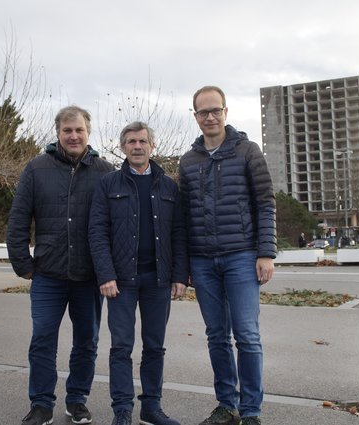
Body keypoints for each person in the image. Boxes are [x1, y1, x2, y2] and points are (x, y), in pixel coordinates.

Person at [7, 106, 114, 425]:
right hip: (48, 275)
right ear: (58, 133)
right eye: (67, 130)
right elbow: (18, 219)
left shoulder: (105, 171)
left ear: (88, 133)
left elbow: (116, 223)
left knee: (87, 341)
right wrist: (23, 264)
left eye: (79, 130)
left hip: (88, 276)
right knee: (42, 338)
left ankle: (77, 400)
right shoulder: (36, 168)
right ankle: (41, 403)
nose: (73, 135)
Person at [178, 86, 277, 425]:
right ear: (195, 116)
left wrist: (266, 253)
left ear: (225, 112)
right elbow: (184, 217)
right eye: (203, 112)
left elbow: (265, 202)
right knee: (216, 335)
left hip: (241, 257)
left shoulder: (248, 151)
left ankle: (251, 411)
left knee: (247, 335)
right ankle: (227, 406)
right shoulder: (188, 161)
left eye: (215, 110)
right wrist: (185, 264)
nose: (209, 117)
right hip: (203, 262)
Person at [89, 121, 188, 425]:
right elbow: (97, 231)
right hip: (121, 281)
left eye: (142, 141)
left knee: (155, 346)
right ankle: (122, 410)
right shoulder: (108, 184)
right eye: (131, 141)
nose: (137, 146)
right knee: (121, 347)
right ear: (122, 147)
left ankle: (151, 408)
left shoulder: (169, 186)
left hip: (158, 280)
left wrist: (180, 275)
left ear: (152, 146)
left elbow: (179, 233)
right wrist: (105, 274)